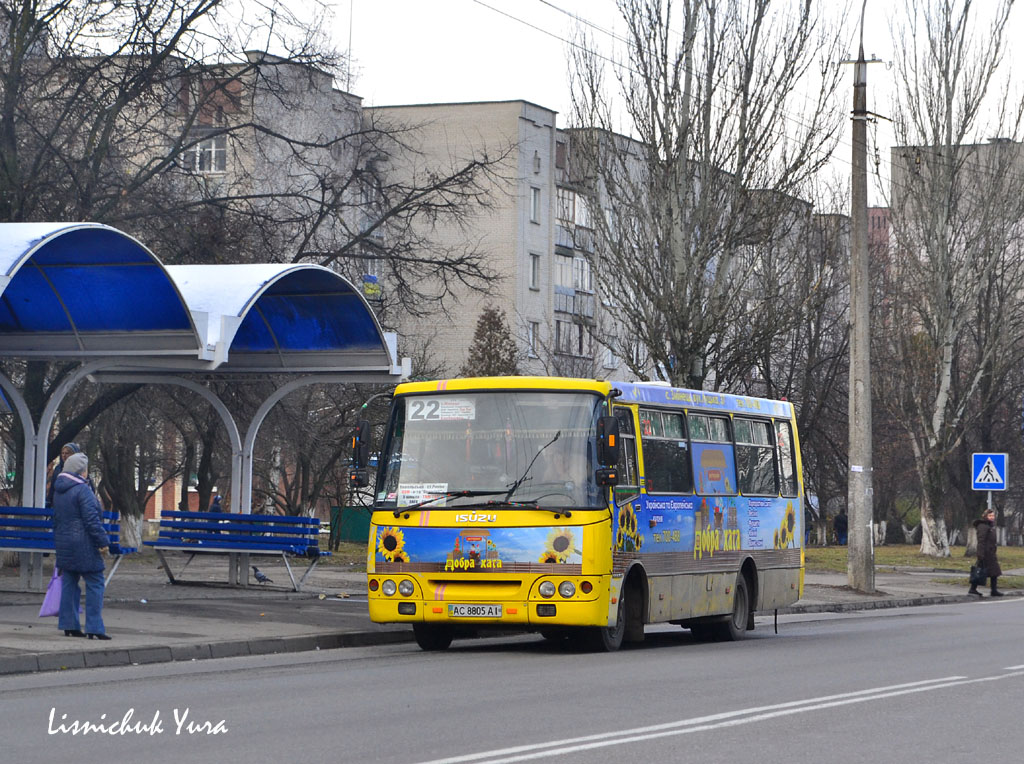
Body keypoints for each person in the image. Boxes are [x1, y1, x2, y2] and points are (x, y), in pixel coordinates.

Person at [52, 452, 112, 639]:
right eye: (86, 470)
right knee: (95, 582)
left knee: (69, 582)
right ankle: (94, 627)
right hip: (84, 543)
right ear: (81, 471)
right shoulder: (82, 490)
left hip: (64, 542)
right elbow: (91, 521)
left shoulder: (58, 490)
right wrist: (103, 542)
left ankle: (69, 625)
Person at [969, 508, 1003, 598]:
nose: (992, 517)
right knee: (980, 571)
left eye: (993, 515)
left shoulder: (990, 526)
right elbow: (981, 541)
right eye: (990, 515)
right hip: (985, 553)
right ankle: (973, 589)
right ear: (985, 516)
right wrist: (980, 554)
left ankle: (993, 590)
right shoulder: (983, 526)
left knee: (994, 572)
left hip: (990, 553)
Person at [45, 442, 81, 508]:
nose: (64, 455)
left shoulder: (79, 468)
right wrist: (49, 501)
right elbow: (53, 487)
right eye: (62, 453)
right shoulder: (58, 469)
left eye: (67, 453)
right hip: (58, 503)